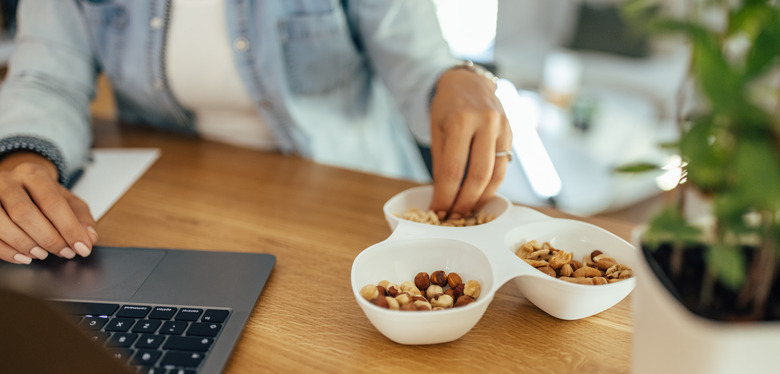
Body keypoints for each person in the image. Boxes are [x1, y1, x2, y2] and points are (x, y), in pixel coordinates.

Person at [0, 0, 512, 265]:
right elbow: (47, 76)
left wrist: (455, 80)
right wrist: (21, 155)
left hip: (343, 202)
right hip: (167, 207)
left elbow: (419, 60)